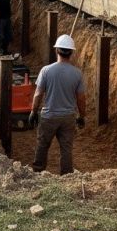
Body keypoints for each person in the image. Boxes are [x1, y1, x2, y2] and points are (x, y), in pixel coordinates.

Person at [28, 34, 86, 175]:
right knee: (66, 149)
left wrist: (33, 112)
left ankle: (37, 173)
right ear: (71, 52)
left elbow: (38, 94)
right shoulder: (77, 74)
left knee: (42, 145)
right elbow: (81, 99)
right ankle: (66, 175)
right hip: (68, 118)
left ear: (56, 50)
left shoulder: (46, 71)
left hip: (49, 116)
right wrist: (81, 116)